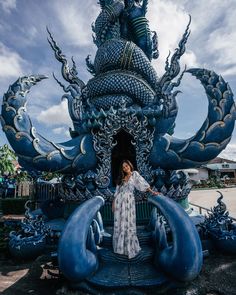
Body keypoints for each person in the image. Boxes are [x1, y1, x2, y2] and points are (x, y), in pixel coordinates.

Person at [112, 160, 159, 259]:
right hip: (119, 202)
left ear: (130, 165)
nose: (125, 168)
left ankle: (130, 247)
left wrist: (152, 192)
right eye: (123, 167)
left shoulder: (135, 174)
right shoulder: (122, 178)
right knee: (121, 223)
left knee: (129, 222)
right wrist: (113, 204)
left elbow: (143, 184)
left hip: (129, 201)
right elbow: (117, 192)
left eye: (126, 166)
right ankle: (120, 248)